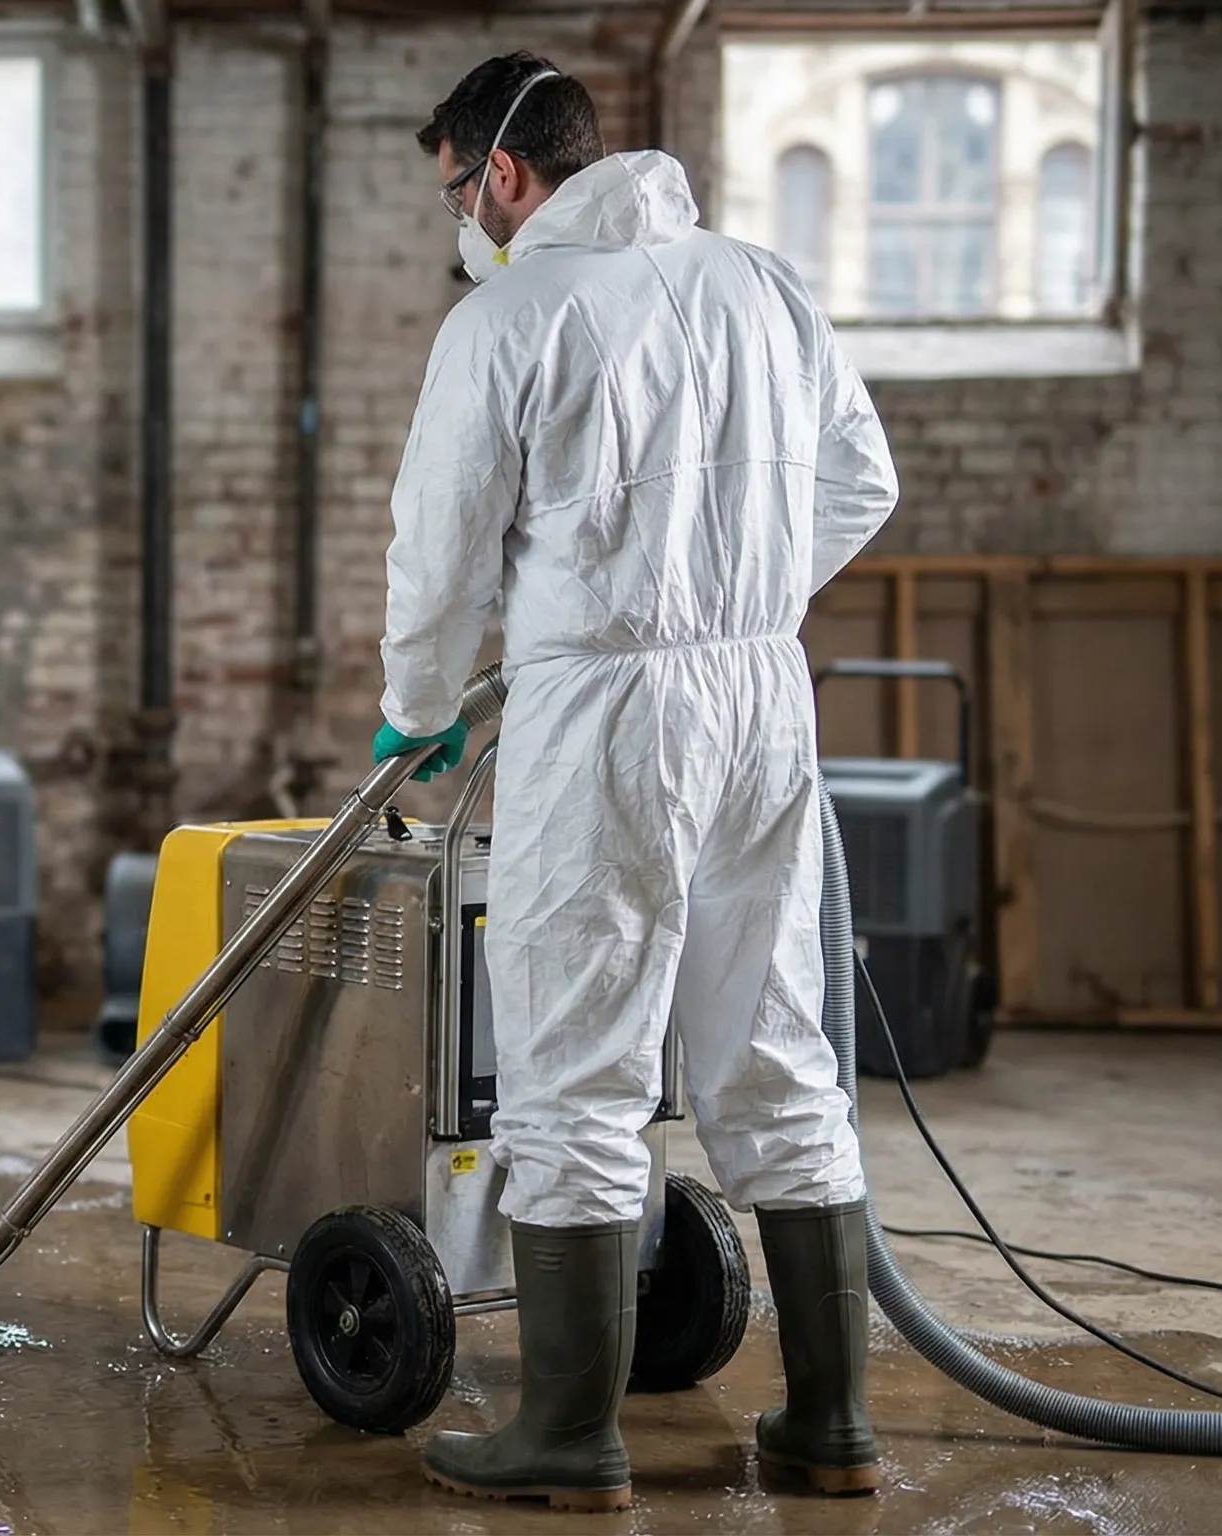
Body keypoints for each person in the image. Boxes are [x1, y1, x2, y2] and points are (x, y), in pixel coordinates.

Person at [376, 56, 900, 1511]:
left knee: (575, 1062)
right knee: (774, 1044)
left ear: (501, 171)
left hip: (605, 712)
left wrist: (414, 715)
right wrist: (733, 597)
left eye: (455, 191)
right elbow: (862, 481)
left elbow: (439, 552)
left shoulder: (508, 319)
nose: (460, 220)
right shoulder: (762, 282)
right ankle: (833, 1429)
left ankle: (566, 1435)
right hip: (761, 697)